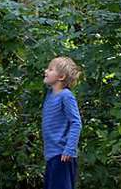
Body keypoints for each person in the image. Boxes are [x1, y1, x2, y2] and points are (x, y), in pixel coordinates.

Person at [42, 56, 82, 189]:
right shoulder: (49, 94)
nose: (46, 71)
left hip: (63, 155)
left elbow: (76, 123)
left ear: (61, 76)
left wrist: (69, 149)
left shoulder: (66, 95)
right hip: (51, 155)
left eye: (50, 69)